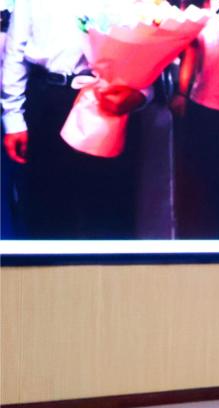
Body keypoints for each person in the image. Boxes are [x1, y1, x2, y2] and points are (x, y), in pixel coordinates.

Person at [1, 0, 148, 239]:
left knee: (107, 212)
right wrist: (13, 118)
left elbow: (144, 43)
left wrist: (141, 94)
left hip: (107, 100)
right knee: (46, 212)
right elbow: (15, 53)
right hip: (48, 98)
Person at [171, 0, 219, 238]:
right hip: (202, 103)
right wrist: (182, 92)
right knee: (210, 179)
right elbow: (191, 51)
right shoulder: (194, 8)